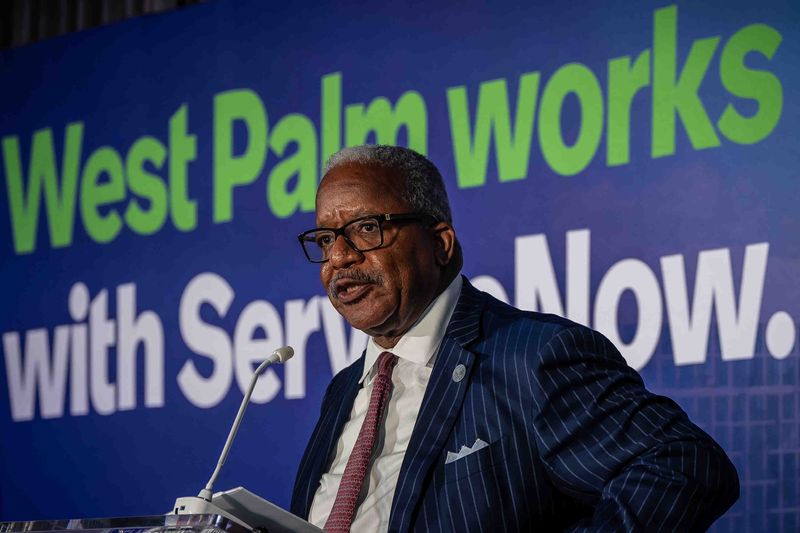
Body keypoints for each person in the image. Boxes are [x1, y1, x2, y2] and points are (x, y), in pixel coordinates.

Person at [291, 145, 739, 532]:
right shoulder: (344, 389)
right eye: (326, 238)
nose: (340, 257)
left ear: (440, 243)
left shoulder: (531, 355)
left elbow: (681, 463)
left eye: (367, 228)